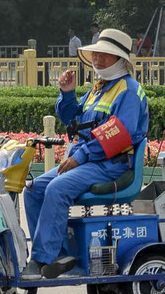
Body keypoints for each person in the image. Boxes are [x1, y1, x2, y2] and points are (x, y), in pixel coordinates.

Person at [24, 28, 148, 279]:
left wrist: (80, 157)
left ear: (121, 59)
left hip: (110, 165)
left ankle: (40, 259)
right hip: (89, 161)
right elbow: (74, 119)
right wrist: (67, 94)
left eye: (105, 55)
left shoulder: (129, 91)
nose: (98, 59)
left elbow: (119, 134)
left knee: (57, 189)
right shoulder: (98, 89)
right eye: (96, 54)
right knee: (33, 189)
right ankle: (58, 254)